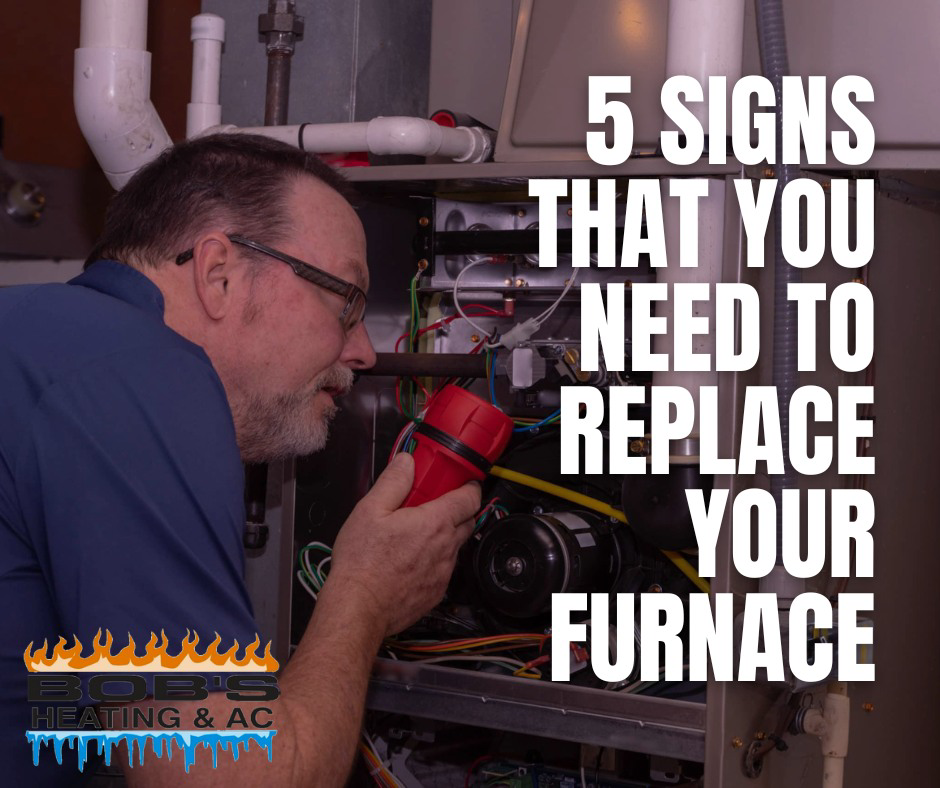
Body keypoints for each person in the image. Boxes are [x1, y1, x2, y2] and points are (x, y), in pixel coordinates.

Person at [0, 133, 480, 786]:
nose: (365, 351)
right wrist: (364, 595)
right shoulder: (143, 372)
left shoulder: (47, 343)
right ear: (219, 273)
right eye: (348, 302)